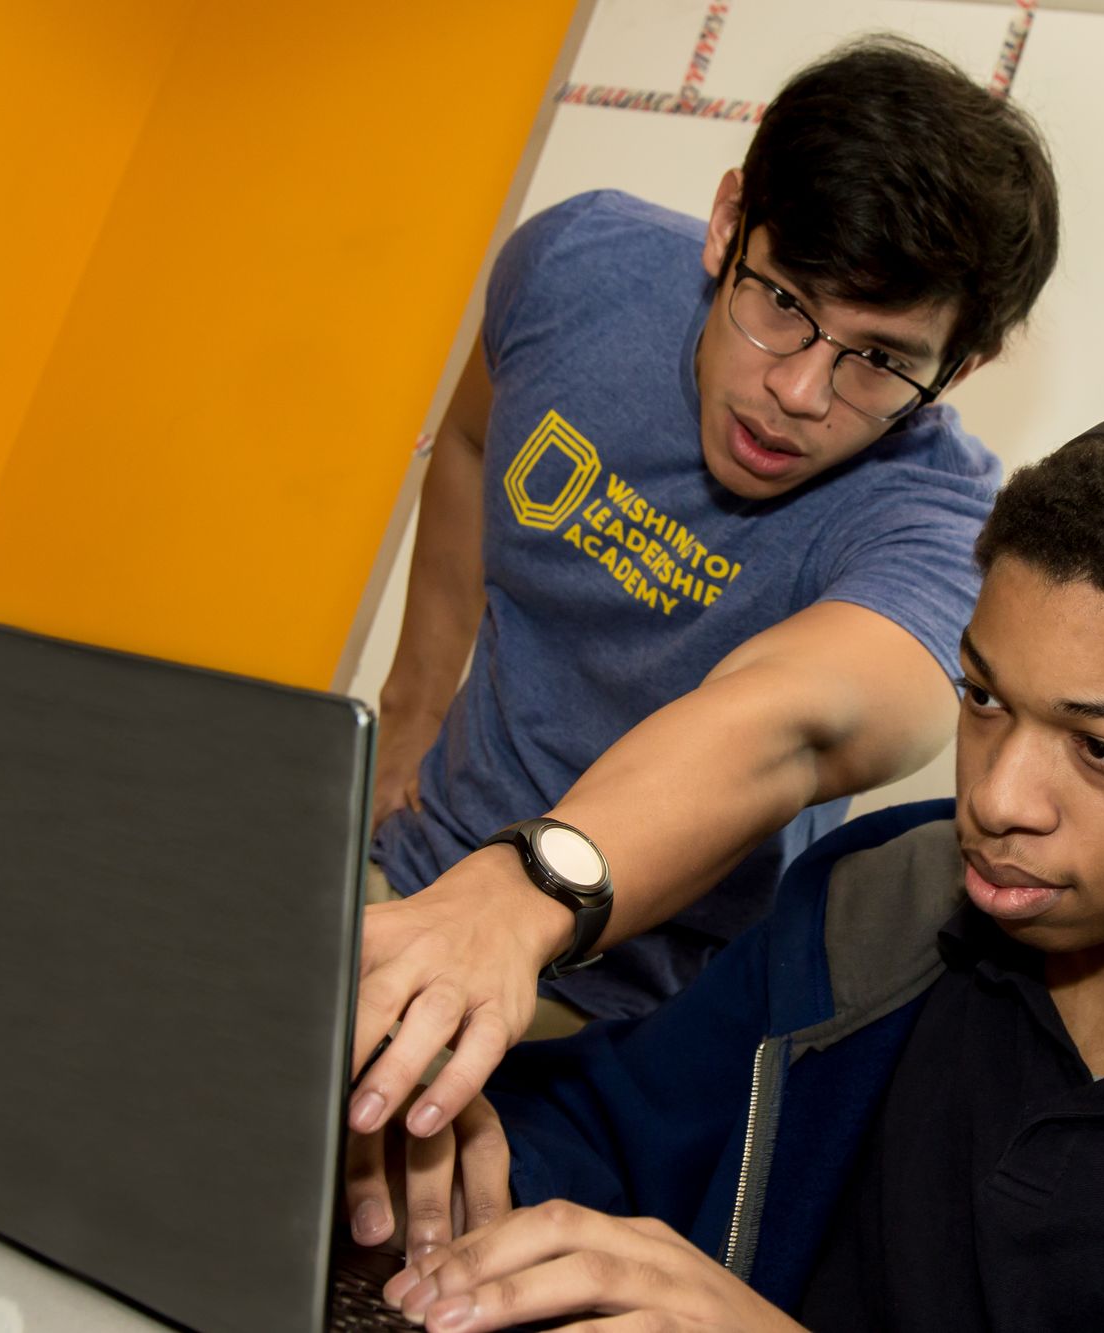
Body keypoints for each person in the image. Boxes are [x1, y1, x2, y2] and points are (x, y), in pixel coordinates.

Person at [352, 395, 1104, 1331]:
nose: (996, 797)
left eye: (1102, 747)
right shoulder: (876, 900)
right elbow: (624, 1136)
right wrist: (446, 1142)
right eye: (982, 697)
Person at [345, 32, 1061, 1197]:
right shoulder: (577, 265)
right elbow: (473, 437)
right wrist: (414, 701)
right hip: (412, 874)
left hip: (634, 1022)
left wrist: (521, 897)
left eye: (881, 360)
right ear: (729, 222)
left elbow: (788, 719)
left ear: (963, 364)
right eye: (783, 302)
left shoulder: (937, 533)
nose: (798, 391)